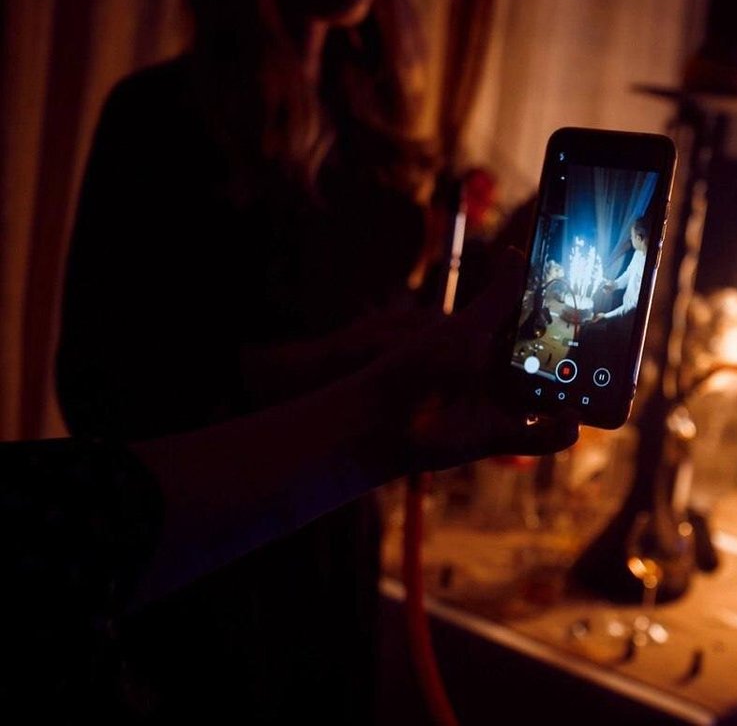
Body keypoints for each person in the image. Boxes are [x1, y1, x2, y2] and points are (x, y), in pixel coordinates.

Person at [54, 0, 446, 721]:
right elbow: (103, 380)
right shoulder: (159, 118)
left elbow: (373, 303)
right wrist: (333, 362)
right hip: (215, 553)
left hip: (334, 536)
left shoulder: (365, 128)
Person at [5, 257, 578, 719]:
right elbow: (95, 473)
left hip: (313, 519)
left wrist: (383, 415)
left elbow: (99, 520)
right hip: (228, 582)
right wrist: (352, 385)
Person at [592, 218, 649, 323]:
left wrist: (606, 316)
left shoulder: (649, 268)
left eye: (632, 236)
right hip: (623, 309)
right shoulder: (638, 253)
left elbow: (633, 306)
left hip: (631, 318)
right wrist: (615, 285)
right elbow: (628, 274)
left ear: (639, 238)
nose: (630, 239)